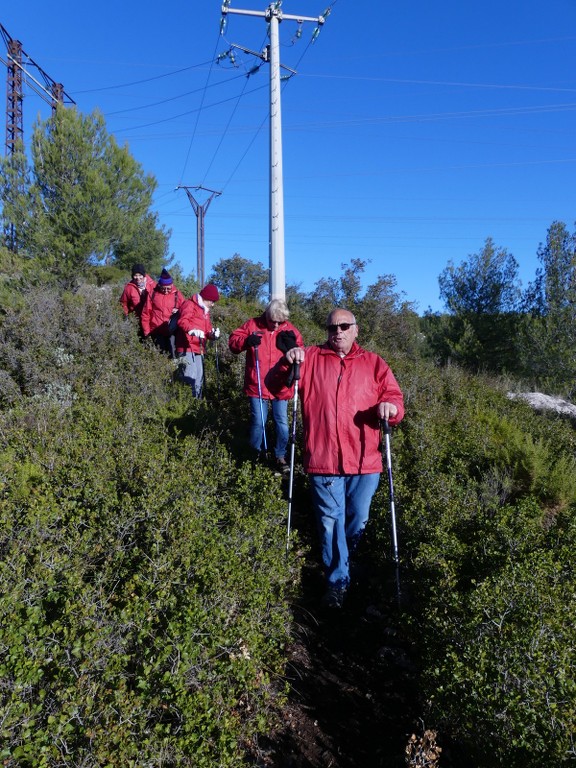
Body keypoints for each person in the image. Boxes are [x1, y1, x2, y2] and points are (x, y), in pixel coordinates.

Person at [267, 308, 404, 609]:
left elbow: (395, 397)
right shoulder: (310, 358)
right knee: (330, 522)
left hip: (365, 461)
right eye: (332, 328)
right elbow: (275, 387)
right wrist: (284, 364)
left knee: (357, 521)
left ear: (356, 329)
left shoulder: (374, 363)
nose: (337, 332)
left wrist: (390, 408)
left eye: (344, 326)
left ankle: (342, 561)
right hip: (323, 459)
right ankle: (337, 584)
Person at [229, 299, 304, 475]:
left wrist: (295, 350)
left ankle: (280, 455)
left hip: (281, 386)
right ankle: (255, 456)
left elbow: (301, 351)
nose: (276, 325)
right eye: (273, 321)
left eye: (280, 322)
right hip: (258, 385)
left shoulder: (290, 330)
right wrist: (247, 341)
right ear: (267, 316)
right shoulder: (253, 324)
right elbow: (233, 341)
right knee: (258, 423)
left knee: (282, 424)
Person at [175, 283, 221, 398]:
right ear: (207, 298)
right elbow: (182, 321)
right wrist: (192, 330)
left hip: (199, 347)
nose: (213, 304)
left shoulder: (205, 311)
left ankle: (197, 406)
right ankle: (186, 404)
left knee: (199, 376)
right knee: (190, 375)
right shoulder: (190, 304)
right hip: (186, 346)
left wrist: (212, 334)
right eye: (212, 301)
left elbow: (207, 330)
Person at [140, 269, 184, 357]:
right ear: (159, 285)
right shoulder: (153, 294)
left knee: (173, 357)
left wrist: (178, 310)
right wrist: (147, 332)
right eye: (163, 288)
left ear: (172, 285)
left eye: (169, 288)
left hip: (172, 332)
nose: (166, 291)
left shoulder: (177, 294)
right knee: (160, 357)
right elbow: (146, 313)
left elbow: (185, 311)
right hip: (156, 332)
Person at [119, 263, 156, 328]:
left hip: (150, 322)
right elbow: (123, 303)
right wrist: (126, 316)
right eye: (135, 275)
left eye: (140, 275)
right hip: (135, 322)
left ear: (144, 275)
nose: (138, 278)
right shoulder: (129, 288)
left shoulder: (153, 285)